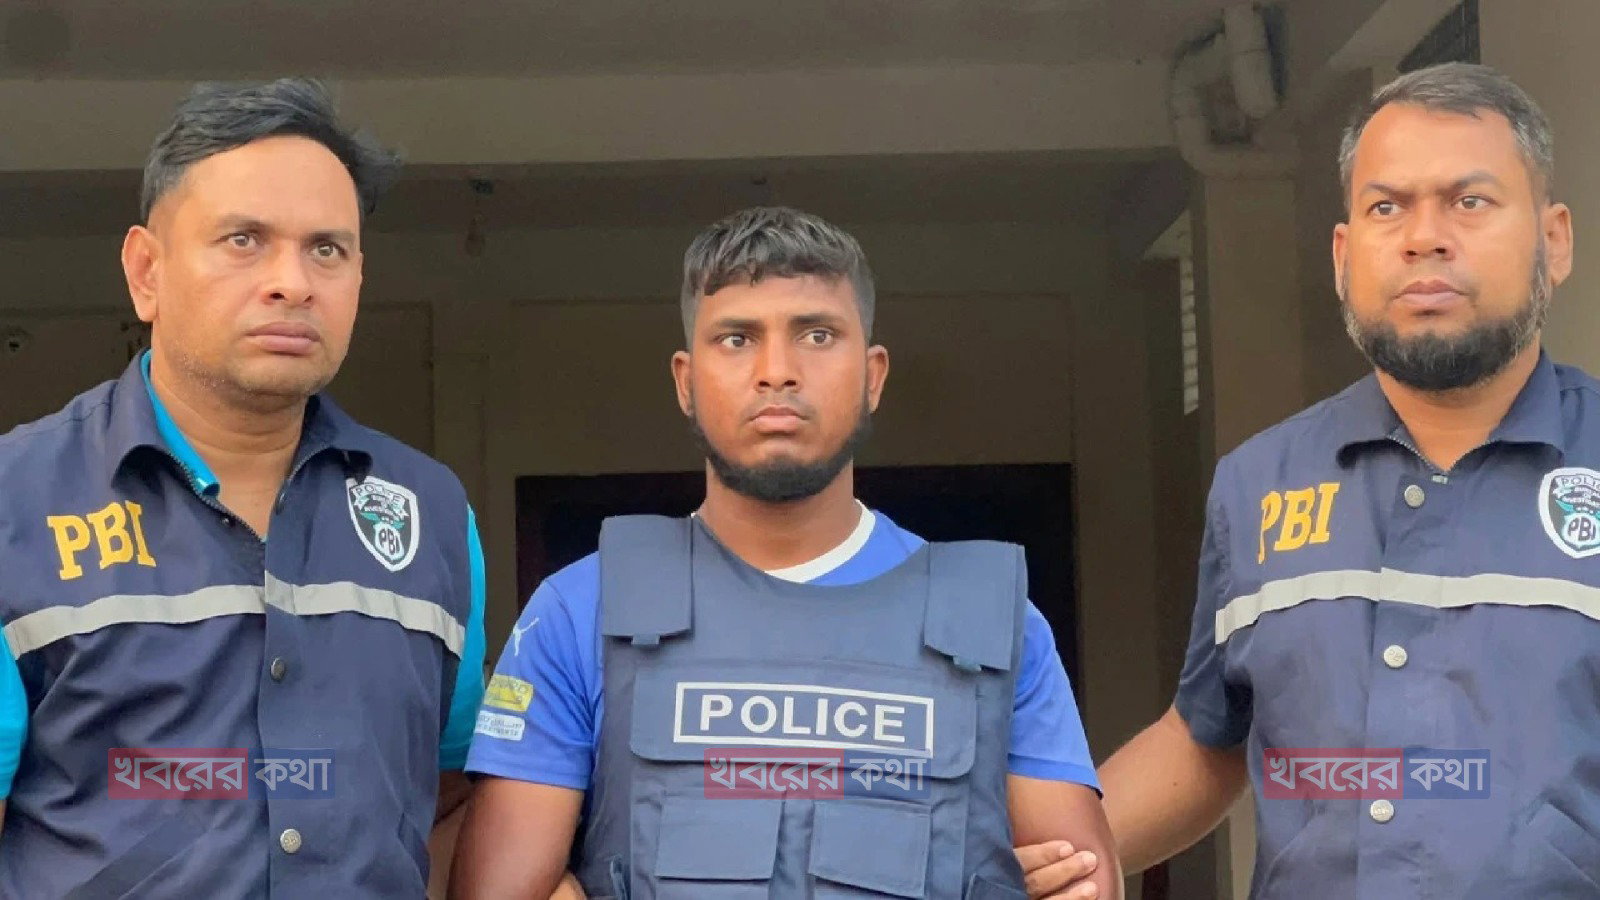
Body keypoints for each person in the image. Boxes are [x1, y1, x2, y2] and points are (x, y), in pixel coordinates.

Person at [1023, 61, 1596, 898]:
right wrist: (1062, 853)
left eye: (1469, 201)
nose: (1424, 237)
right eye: (1386, 207)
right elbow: (1207, 737)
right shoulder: (1261, 483)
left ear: (1555, 241)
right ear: (1342, 255)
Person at [450, 206, 1118, 899]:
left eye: (817, 335)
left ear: (873, 375)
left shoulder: (989, 621)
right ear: (685, 381)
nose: (777, 371)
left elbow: (1082, 880)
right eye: (737, 338)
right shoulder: (580, 611)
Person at [0, 79, 485, 896]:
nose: (292, 282)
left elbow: (450, 793)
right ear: (146, 271)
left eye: (327, 250)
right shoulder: (16, 504)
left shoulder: (429, 513)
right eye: (244, 240)